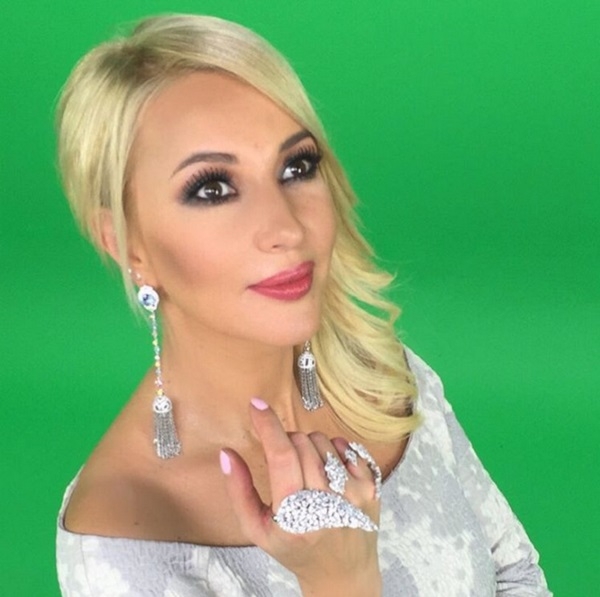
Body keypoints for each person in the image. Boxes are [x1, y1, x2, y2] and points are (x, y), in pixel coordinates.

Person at [55, 13, 551, 596]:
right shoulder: (123, 540)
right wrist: (342, 581)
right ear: (127, 246)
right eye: (213, 188)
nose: (286, 228)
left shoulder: (381, 377)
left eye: (297, 167)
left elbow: (517, 575)